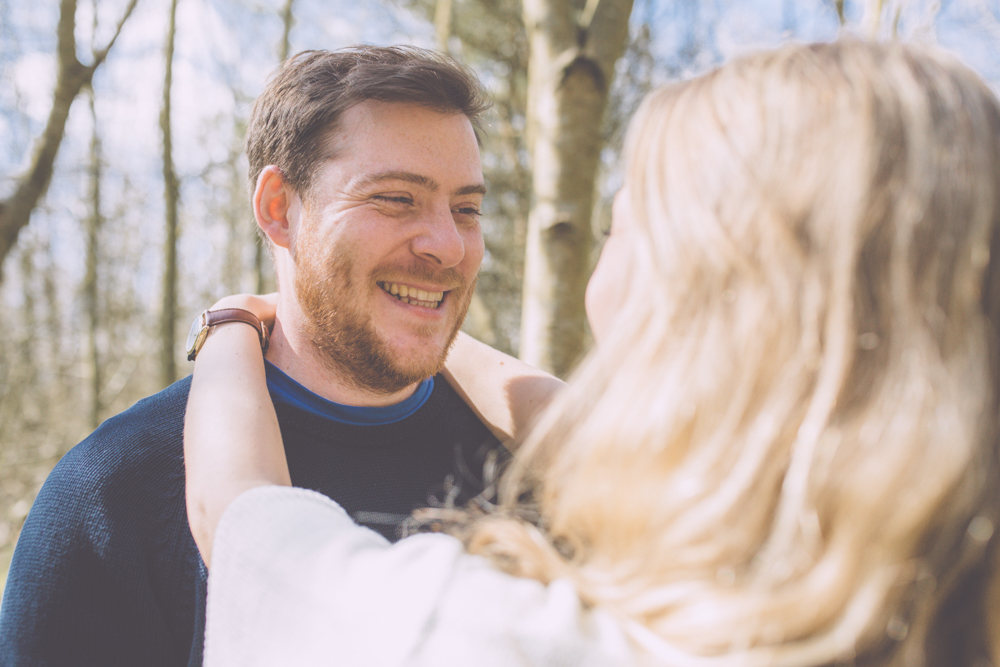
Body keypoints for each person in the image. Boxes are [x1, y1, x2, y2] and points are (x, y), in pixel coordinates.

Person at [184, 40, 1000, 666]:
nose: (445, 243)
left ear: (700, 304)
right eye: (396, 200)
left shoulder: (477, 636)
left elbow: (243, 514)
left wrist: (230, 324)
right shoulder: (927, 603)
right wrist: (417, 323)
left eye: (624, 226)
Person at [0, 46, 563, 666]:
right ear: (277, 208)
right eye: (396, 199)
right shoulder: (112, 491)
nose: (448, 247)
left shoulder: (549, 472)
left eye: (467, 210)